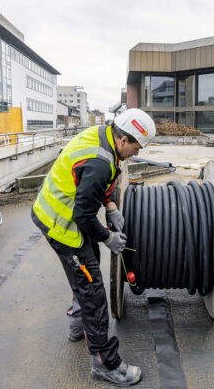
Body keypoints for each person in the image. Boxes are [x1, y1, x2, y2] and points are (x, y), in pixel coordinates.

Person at [31, 108, 156, 386]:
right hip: (61, 225)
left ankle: (78, 323)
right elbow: (84, 217)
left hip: (61, 214)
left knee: (89, 267)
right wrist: (108, 237)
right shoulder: (101, 160)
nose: (136, 153)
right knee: (94, 291)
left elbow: (101, 179)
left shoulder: (103, 136)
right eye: (136, 147)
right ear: (124, 139)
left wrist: (110, 205)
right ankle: (104, 363)